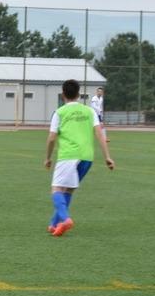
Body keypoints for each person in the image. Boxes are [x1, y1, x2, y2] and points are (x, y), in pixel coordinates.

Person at [44, 79, 114, 237]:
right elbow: (99, 134)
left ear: (63, 95)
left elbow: (52, 138)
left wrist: (48, 158)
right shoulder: (90, 111)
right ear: (78, 94)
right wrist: (107, 157)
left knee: (56, 190)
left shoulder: (60, 112)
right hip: (87, 157)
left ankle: (65, 219)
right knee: (68, 190)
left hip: (68, 155)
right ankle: (55, 224)